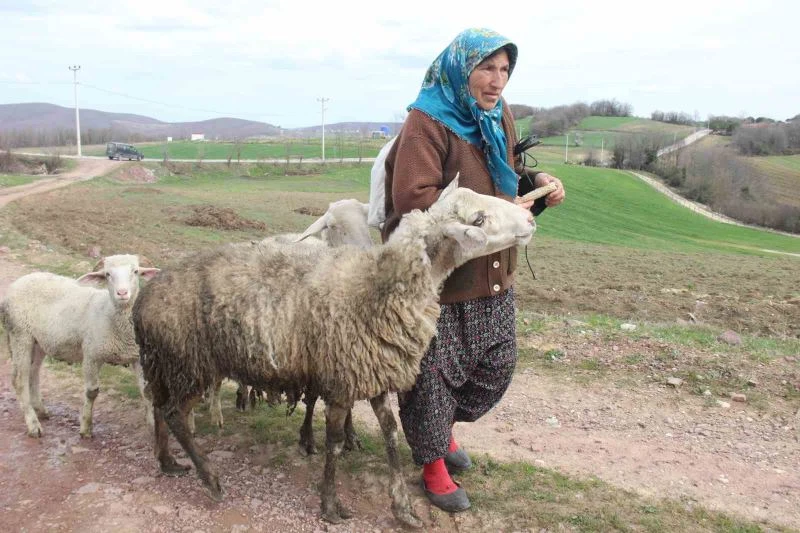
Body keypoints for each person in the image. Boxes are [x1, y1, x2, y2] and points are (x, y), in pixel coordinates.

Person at [381, 28, 565, 512]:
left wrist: (536, 180)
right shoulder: (426, 123)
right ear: (461, 70)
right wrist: (490, 210)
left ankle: (439, 433)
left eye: (504, 70)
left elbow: (506, 167)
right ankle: (433, 462)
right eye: (486, 68)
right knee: (434, 376)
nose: (496, 80)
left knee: (494, 367)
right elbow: (413, 202)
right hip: (442, 278)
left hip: (495, 269)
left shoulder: (496, 114)